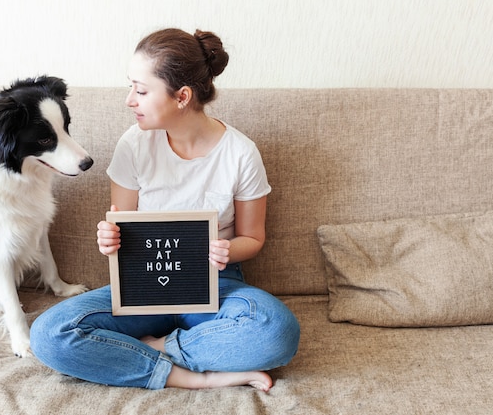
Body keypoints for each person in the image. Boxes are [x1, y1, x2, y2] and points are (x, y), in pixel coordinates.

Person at [30, 28, 300, 391]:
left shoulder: (240, 154)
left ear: (182, 97)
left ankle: (158, 349)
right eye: (131, 87)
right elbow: (121, 225)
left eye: (141, 90)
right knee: (49, 334)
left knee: (277, 331)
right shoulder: (133, 144)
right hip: (142, 284)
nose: (130, 100)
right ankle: (193, 378)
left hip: (213, 283)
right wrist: (110, 238)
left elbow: (252, 237)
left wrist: (227, 249)